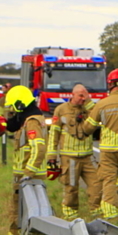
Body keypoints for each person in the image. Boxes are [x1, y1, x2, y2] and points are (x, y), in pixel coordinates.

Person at [83, 69, 118, 221]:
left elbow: (88, 128)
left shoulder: (101, 104)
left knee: (109, 182)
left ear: (109, 84)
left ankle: (110, 215)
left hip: (108, 150)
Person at [48, 83, 102, 220]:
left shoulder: (89, 109)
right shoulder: (61, 110)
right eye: (80, 96)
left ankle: (96, 214)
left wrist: (89, 102)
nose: (82, 99)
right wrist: (51, 155)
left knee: (96, 185)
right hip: (69, 157)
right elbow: (54, 133)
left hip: (88, 156)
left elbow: (98, 117)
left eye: (85, 96)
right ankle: (71, 217)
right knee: (71, 187)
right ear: (73, 95)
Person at [4, 85, 48, 235]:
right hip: (27, 174)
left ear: (20, 104)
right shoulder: (28, 119)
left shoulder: (31, 122)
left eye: (13, 106)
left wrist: (28, 172)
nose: (12, 110)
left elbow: (39, 148)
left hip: (29, 175)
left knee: (24, 207)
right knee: (24, 206)